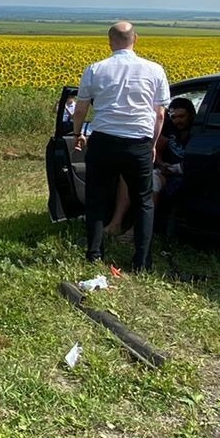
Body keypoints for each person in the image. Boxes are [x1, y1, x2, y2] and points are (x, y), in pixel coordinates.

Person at [70, 22, 169, 272]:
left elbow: (81, 108)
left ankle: (94, 253)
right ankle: (142, 261)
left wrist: (78, 133)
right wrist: (154, 144)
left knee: (96, 198)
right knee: (144, 200)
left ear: (110, 41)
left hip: (104, 140)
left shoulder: (95, 69)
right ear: (136, 38)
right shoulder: (155, 70)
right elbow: (159, 114)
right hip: (139, 141)